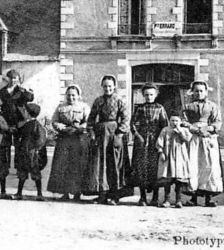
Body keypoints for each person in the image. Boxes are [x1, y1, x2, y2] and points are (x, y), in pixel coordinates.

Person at [84, 74, 131, 205]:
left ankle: (115, 195)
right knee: (100, 164)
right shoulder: (98, 101)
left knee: (115, 164)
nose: (107, 89)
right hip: (101, 135)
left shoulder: (120, 100)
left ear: (114, 87)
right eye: (105, 86)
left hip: (115, 133)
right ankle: (102, 194)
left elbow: (126, 119)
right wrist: (92, 131)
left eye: (110, 86)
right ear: (102, 87)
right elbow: (91, 118)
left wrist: (120, 134)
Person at [183, 80, 224, 207]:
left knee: (209, 165)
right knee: (193, 165)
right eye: (196, 91)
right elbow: (183, 121)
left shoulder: (212, 106)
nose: (199, 93)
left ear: (206, 92)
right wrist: (195, 129)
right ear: (192, 92)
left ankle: (209, 197)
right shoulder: (187, 107)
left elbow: (217, 122)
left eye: (201, 91)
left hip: (208, 139)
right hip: (193, 139)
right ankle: (193, 198)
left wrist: (207, 129)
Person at [47, 84, 90, 202]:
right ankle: (64, 192)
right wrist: (62, 128)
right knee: (63, 165)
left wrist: (79, 128)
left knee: (77, 166)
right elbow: (54, 121)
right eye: (69, 95)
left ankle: (77, 193)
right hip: (64, 139)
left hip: (79, 139)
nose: (71, 98)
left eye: (73, 95)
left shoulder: (84, 107)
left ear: (78, 96)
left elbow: (88, 122)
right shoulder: (60, 107)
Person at [131, 84, 168, 206]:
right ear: (143, 95)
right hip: (141, 142)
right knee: (141, 168)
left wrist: (161, 141)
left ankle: (155, 197)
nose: (148, 97)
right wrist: (138, 136)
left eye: (151, 94)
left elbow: (164, 126)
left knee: (155, 168)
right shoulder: (139, 108)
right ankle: (142, 197)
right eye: (146, 95)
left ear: (156, 95)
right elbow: (133, 125)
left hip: (155, 141)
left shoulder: (160, 108)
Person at [0, 69, 34, 173]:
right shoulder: (2, 91)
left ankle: (19, 167)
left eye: (15, 78)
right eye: (11, 78)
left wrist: (26, 90)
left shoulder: (21, 90)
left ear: (18, 79)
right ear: (7, 79)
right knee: (5, 144)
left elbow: (30, 98)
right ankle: (5, 167)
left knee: (19, 145)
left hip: (20, 121)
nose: (13, 80)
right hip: (6, 121)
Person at [156, 114, 192, 208]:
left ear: (180, 122)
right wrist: (161, 152)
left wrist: (179, 132)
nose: (174, 123)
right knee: (167, 179)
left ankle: (178, 200)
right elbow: (160, 142)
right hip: (168, 157)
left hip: (180, 157)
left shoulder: (184, 130)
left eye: (176, 121)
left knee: (179, 179)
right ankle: (167, 200)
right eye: (172, 120)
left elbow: (187, 139)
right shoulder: (165, 130)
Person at [13, 102, 47, 201]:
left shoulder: (36, 125)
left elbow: (41, 140)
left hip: (32, 155)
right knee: (22, 174)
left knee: (35, 174)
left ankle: (39, 194)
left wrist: (35, 149)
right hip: (24, 153)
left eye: (25, 111)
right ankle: (19, 193)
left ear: (28, 113)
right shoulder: (26, 124)